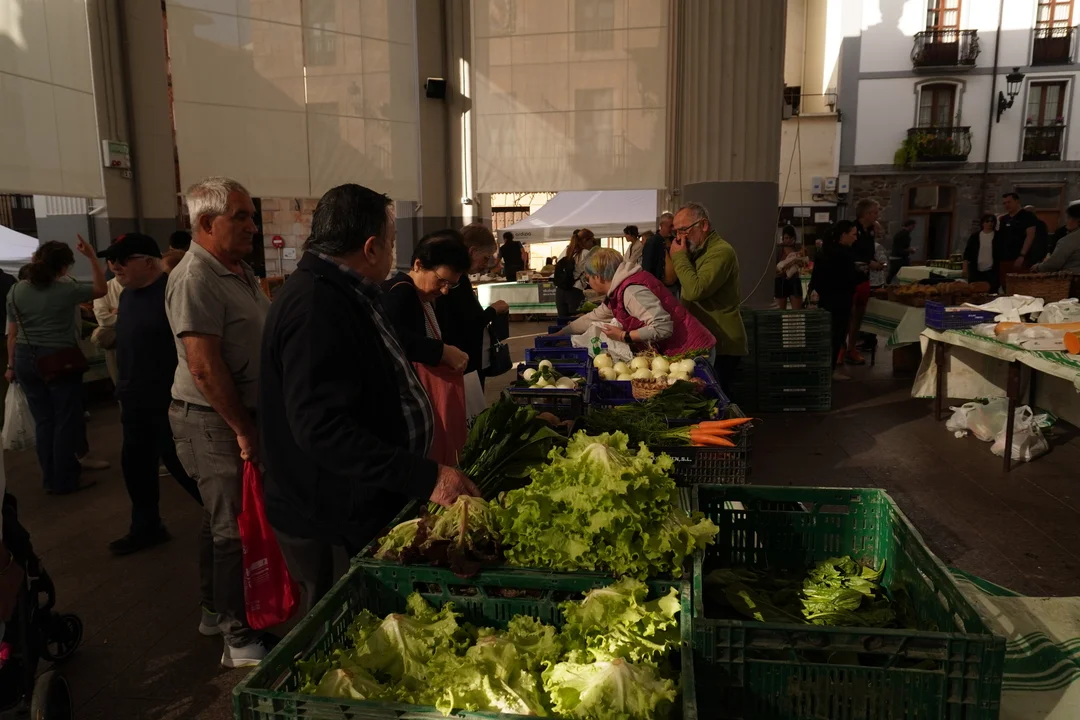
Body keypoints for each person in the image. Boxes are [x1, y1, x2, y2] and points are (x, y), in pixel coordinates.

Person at [260, 183, 479, 612]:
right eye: (392, 242)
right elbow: (322, 430)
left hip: (354, 499)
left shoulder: (347, 293)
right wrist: (425, 477)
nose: (394, 253)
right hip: (327, 514)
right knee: (339, 617)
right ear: (371, 247)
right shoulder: (315, 306)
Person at [165, 176, 272, 668]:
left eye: (252, 216)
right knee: (233, 528)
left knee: (218, 520)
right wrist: (244, 429)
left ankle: (213, 610)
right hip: (212, 420)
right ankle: (239, 638)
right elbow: (204, 367)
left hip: (232, 416)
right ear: (207, 222)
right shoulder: (195, 277)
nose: (253, 226)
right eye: (241, 216)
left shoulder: (238, 270)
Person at [98, 234, 202, 556]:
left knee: (184, 468)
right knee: (136, 467)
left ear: (147, 261)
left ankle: (238, 526)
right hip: (134, 400)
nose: (115, 266)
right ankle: (146, 527)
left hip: (167, 401)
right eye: (112, 260)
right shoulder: (128, 296)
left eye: (122, 260)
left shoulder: (172, 294)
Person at [4, 239, 106, 495]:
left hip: (25, 359)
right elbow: (101, 289)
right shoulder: (66, 289)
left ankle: (50, 478)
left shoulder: (16, 290)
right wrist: (92, 258)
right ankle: (65, 480)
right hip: (58, 359)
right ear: (64, 267)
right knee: (65, 420)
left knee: (44, 421)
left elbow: (12, 334)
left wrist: (10, 364)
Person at [382, 231, 472, 466]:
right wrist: (441, 351)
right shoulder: (401, 292)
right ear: (418, 265)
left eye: (451, 285)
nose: (444, 290)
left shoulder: (420, 296)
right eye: (441, 280)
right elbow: (391, 337)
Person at [561, 248, 715, 356]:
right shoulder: (618, 292)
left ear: (598, 277)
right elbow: (593, 317)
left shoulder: (630, 291)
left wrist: (623, 336)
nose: (588, 283)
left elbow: (663, 327)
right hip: (682, 351)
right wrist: (561, 334)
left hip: (694, 351)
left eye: (588, 278)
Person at [670, 203, 746, 397]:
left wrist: (679, 258)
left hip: (721, 342)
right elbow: (671, 280)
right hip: (704, 340)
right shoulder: (696, 251)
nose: (679, 237)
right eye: (676, 232)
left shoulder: (721, 252)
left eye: (684, 230)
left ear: (703, 225)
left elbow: (696, 291)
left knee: (717, 398)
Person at [435, 224, 509, 388]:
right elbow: (468, 323)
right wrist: (493, 310)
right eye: (485, 258)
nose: (486, 264)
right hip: (462, 363)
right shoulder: (456, 280)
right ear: (472, 251)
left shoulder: (460, 278)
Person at [810, 221, 862, 383]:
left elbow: (816, 278)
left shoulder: (824, 252)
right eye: (853, 234)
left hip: (826, 300)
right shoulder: (844, 255)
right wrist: (860, 273)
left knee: (826, 336)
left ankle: (822, 370)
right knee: (836, 336)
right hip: (840, 301)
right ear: (843, 235)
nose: (855, 238)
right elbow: (849, 279)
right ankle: (829, 371)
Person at [845, 199, 879, 365]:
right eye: (875, 212)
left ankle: (851, 348)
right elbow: (849, 253)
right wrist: (868, 262)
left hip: (864, 278)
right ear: (867, 214)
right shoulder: (852, 229)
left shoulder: (870, 230)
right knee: (847, 315)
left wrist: (874, 262)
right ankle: (840, 350)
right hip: (850, 278)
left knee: (858, 315)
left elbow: (869, 252)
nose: (877, 216)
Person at [998, 193, 1039, 291]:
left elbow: (1030, 236)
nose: (1006, 205)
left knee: (1021, 287)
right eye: (1004, 203)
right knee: (1006, 287)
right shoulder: (1004, 219)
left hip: (1020, 258)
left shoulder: (1027, 216)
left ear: (1017, 201)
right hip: (1004, 259)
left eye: (1009, 202)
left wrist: (1022, 255)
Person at [91, 275, 123, 386]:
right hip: (115, 346)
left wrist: (118, 314)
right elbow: (103, 319)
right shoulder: (107, 288)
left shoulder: (145, 285)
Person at [1032, 202, 1080, 273]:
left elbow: (1053, 264)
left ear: (1078, 221)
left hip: (1072, 276)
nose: (1066, 221)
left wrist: (1038, 267)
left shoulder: (1068, 240)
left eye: (1068, 218)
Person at [553, 230, 588, 316]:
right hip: (576, 289)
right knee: (576, 319)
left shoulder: (565, 251)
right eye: (592, 241)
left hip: (560, 289)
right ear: (585, 240)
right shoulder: (585, 253)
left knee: (562, 319)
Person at [642, 212, 678, 295]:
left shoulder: (674, 241)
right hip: (660, 288)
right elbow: (647, 267)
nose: (673, 229)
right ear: (662, 225)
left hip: (675, 287)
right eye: (670, 226)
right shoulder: (652, 242)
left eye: (673, 226)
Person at [962, 215, 1001, 291]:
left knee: (992, 291)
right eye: (987, 221)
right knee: (974, 291)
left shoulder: (998, 236)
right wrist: (965, 268)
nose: (990, 223)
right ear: (982, 223)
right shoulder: (975, 237)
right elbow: (967, 253)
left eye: (992, 221)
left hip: (992, 271)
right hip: (976, 271)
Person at [774, 225, 806, 309]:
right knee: (780, 311)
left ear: (794, 238)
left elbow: (804, 262)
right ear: (783, 238)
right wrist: (781, 269)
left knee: (797, 311)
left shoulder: (798, 248)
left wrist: (798, 261)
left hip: (794, 280)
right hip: (780, 281)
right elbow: (774, 266)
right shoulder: (778, 249)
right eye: (786, 238)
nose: (788, 240)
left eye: (790, 238)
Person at [888, 219, 917, 284]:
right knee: (906, 274)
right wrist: (911, 250)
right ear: (910, 226)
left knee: (891, 274)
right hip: (900, 259)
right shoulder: (905, 235)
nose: (913, 229)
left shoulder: (898, 233)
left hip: (894, 257)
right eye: (913, 226)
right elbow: (902, 248)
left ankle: (887, 285)